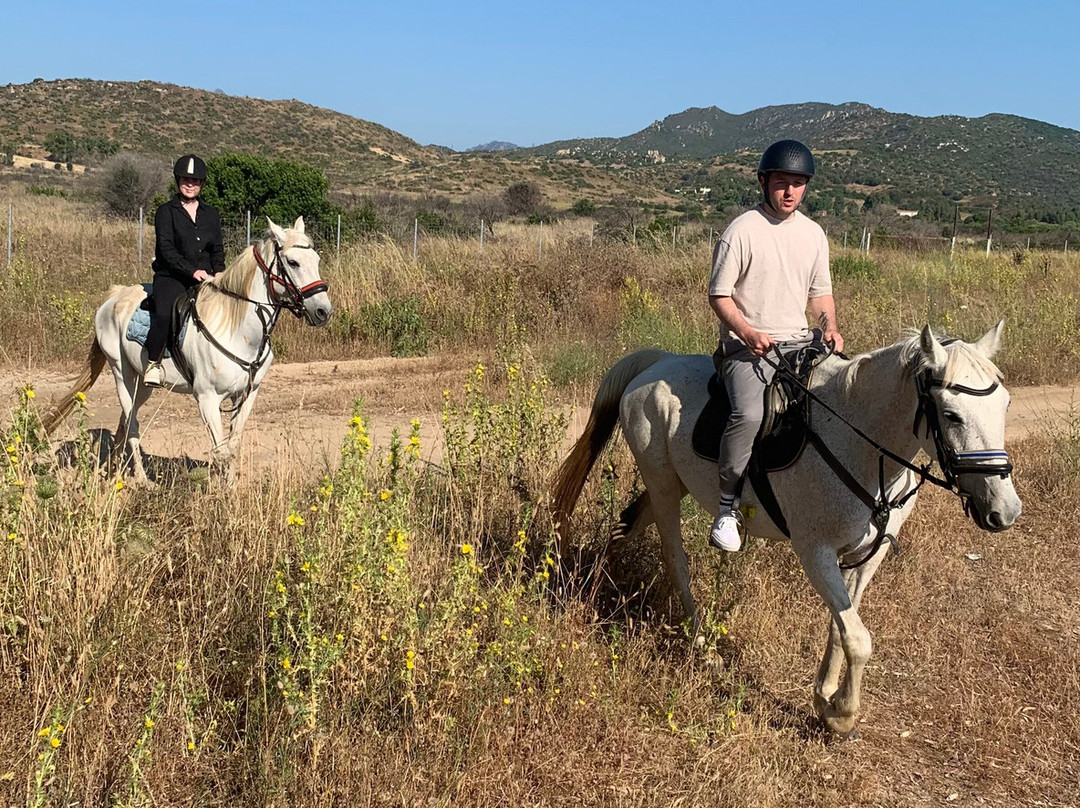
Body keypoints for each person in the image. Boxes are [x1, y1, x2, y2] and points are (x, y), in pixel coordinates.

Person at [706, 139, 844, 552]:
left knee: (846, 392)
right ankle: (726, 508)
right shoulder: (742, 231)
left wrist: (830, 326)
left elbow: (820, 296)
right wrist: (747, 333)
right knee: (749, 412)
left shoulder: (814, 235)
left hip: (799, 343)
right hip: (748, 349)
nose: (790, 192)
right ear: (765, 182)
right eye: (782, 183)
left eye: (798, 184)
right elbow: (719, 295)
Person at [143, 154, 225, 387]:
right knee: (167, 312)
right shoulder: (165, 212)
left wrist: (219, 271)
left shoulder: (211, 215)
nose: (190, 184)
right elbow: (166, 250)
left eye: (196, 180)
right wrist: (192, 271)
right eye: (186, 179)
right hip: (172, 276)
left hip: (207, 277)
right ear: (178, 181)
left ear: (202, 183)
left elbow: (217, 248)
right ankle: (153, 363)